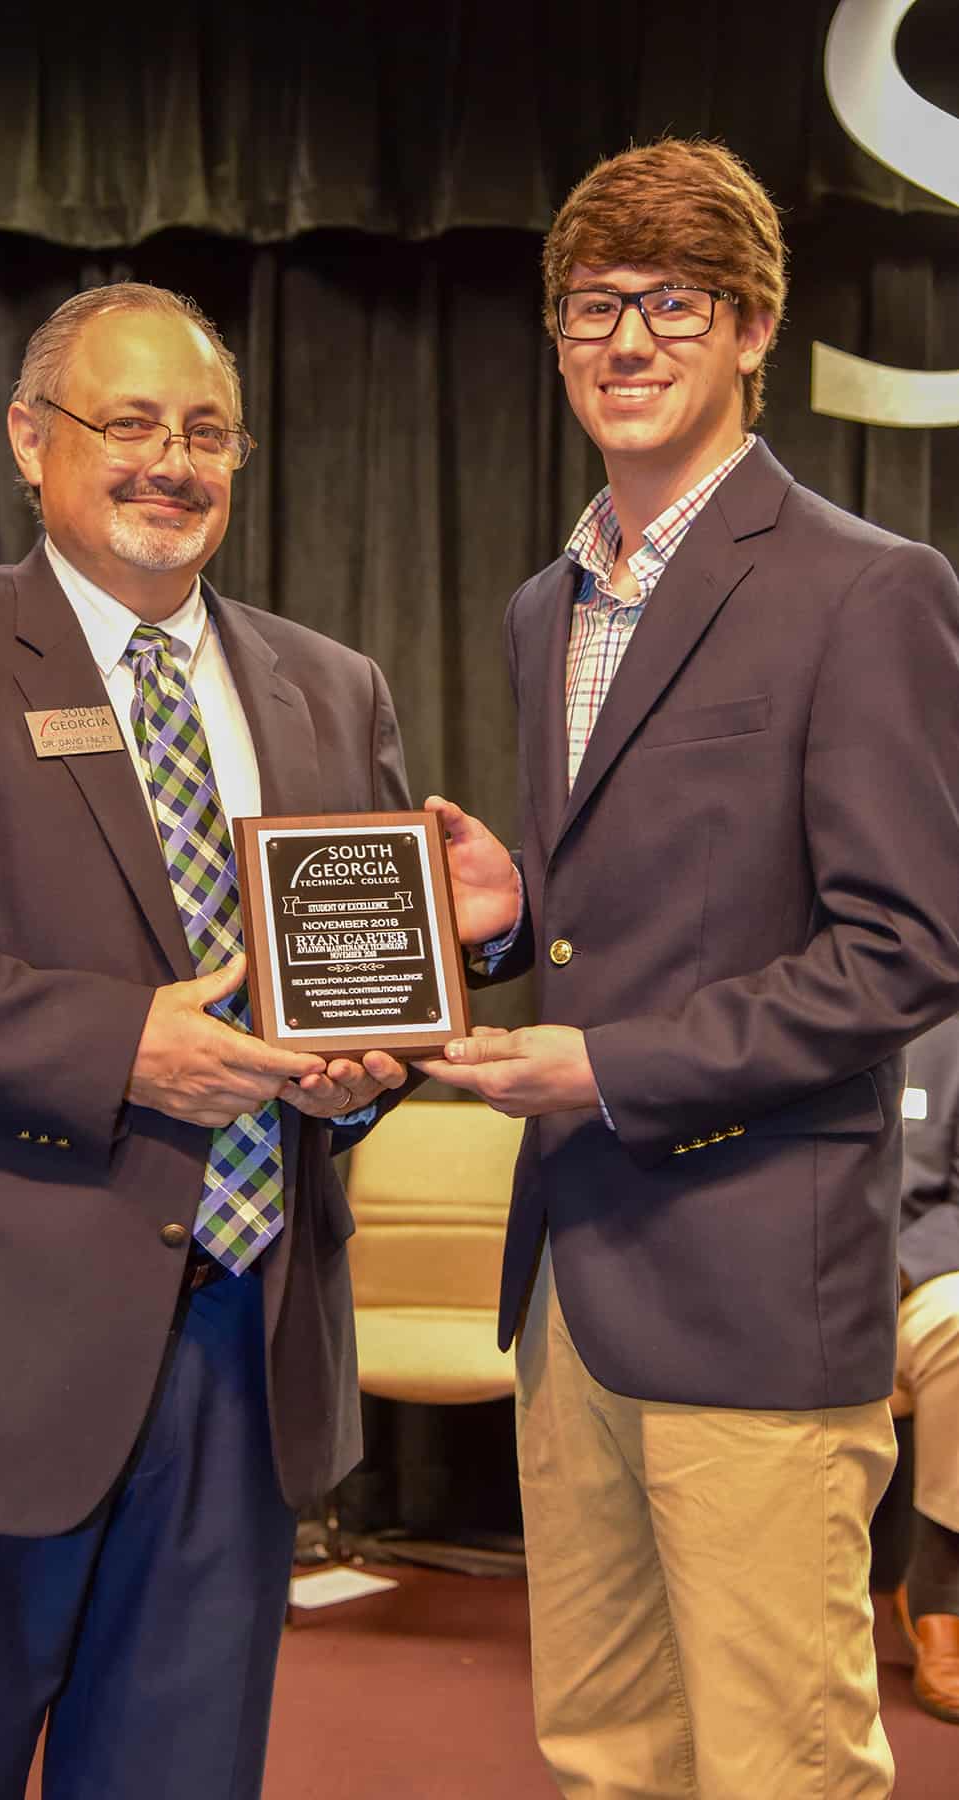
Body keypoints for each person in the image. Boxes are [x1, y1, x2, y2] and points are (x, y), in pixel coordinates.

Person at [0, 281, 410, 1799]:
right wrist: (122, 1044)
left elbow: (349, 984)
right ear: (27, 439)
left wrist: (366, 1073)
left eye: (204, 432)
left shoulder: (332, 688)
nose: (167, 462)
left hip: (239, 1356)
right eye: (126, 423)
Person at [418, 138, 959, 1797]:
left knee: (776, 1769)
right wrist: (512, 918)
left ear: (751, 329)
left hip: (751, 1287)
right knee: (604, 1756)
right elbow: (628, 918)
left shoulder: (862, 591)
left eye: (674, 303)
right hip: (568, 1283)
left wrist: (607, 1064)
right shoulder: (543, 609)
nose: (627, 342)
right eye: (592, 307)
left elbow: (900, 950)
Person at [894, 1014, 959, 1724]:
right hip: (776, 1286)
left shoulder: (949, 1033)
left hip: (908, 1281)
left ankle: (943, 1599)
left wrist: (897, 1275)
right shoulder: (758, 1016)